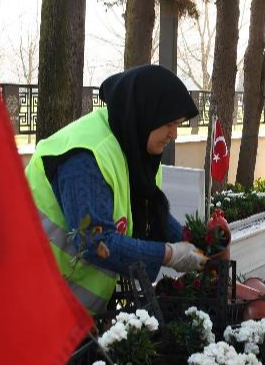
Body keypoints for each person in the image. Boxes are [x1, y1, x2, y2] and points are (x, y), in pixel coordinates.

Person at [25, 65, 208, 313]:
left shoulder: (134, 148)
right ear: (146, 114)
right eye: (169, 124)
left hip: (73, 310)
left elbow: (152, 214)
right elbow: (95, 241)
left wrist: (201, 243)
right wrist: (168, 254)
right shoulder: (87, 157)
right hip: (34, 303)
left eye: (178, 124)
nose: (174, 134)